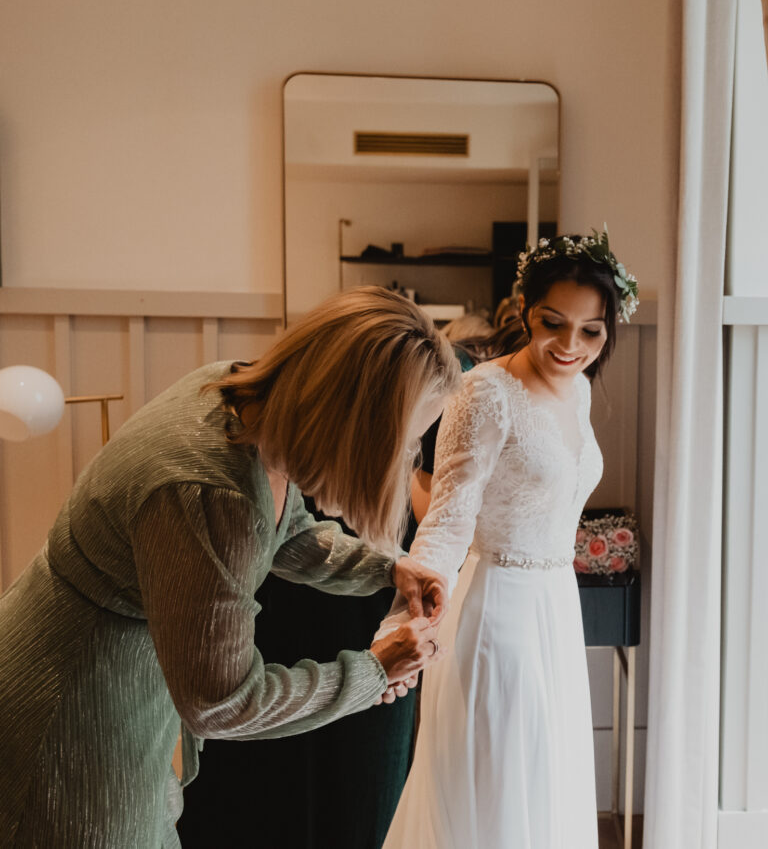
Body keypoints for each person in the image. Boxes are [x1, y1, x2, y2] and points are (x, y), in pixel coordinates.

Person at [0, 286, 460, 848]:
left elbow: (280, 530)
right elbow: (222, 703)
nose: (407, 458)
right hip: (72, 709)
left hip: (95, 672)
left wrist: (387, 569)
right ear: (356, 424)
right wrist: (372, 672)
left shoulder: (237, 393)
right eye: (407, 442)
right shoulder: (211, 493)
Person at [381, 230, 637, 848]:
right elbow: (447, 516)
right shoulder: (485, 393)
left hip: (554, 605)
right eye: (554, 323)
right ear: (524, 310)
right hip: (498, 615)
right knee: (497, 792)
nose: (571, 345)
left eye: (590, 330)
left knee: (546, 784)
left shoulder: (576, 389)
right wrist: (403, 622)